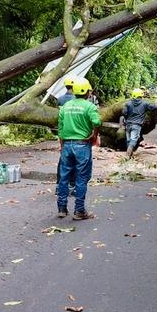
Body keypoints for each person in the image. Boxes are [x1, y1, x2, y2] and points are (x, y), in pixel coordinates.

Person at [56, 77, 101, 221]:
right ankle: (79, 211)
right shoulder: (90, 107)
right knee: (82, 178)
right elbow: (97, 122)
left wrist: (62, 145)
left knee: (64, 178)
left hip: (67, 145)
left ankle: (62, 208)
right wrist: (94, 135)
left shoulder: (65, 107)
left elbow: (61, 128)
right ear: (88, 92)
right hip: (82, 145)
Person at [121, 88, 157, 159]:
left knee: (128, 140)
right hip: (137, 125)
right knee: (133, 140)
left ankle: (130, 154)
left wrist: (126, 119)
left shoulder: (128, 103)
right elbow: (153, 107)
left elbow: (124, 113)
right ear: (141, 95)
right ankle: (128, 155)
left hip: (128, 124)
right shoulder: (144, 103)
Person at [56, 75, 76, 196]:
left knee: (63, 161)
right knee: (75, 161)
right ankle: (72, 185)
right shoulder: (77, 100)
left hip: (64, 132)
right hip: (76, 133)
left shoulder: (60, 100)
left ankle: (59, 185)